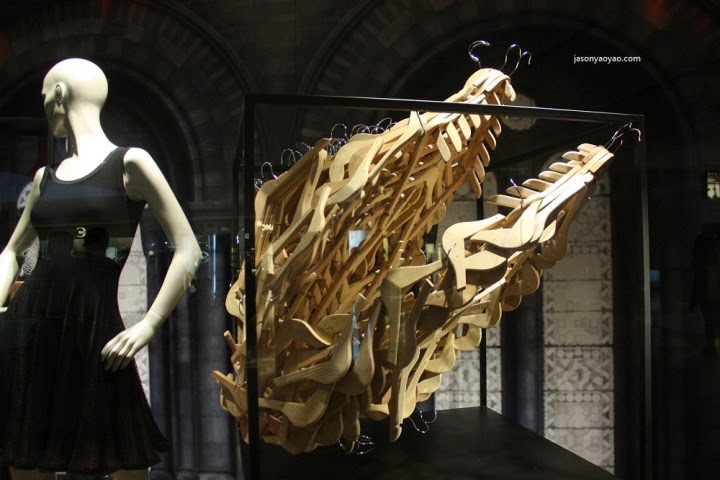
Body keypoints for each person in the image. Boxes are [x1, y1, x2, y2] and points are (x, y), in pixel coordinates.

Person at [0, 58, 201, 479]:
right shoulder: (44, 178)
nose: (43, 107)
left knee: (124, 458)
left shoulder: (130, 163)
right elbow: (11, 251)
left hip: (96, 332)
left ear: (58, 94)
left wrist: (149, 324)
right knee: (26, 458)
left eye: (43, 98)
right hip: (32, 335)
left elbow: (189, 249)